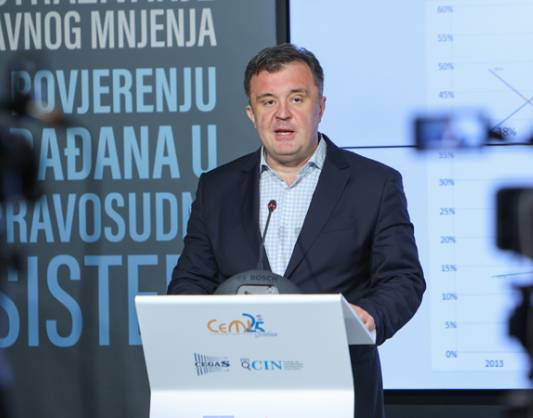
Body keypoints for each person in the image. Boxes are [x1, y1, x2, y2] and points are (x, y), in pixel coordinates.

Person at [167, 43, 425, 418]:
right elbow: (190, 279)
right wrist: (196, 322)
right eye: (268, 101)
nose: (282, 114)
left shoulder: (374, 183)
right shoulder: (217, 188)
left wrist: (369, 315)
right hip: (241, 390)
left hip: (339, 385)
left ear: (321, 107)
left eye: (297, 99)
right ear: (251, 113)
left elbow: (403, 278)